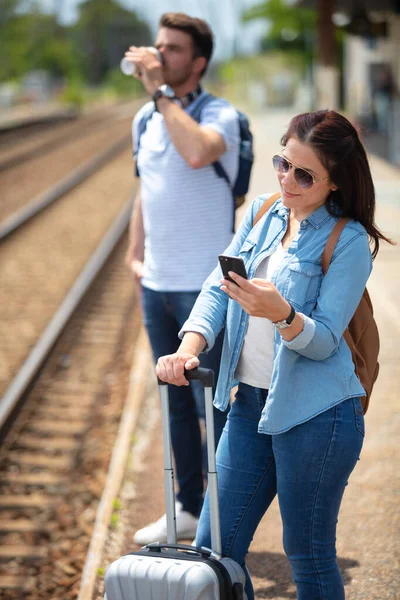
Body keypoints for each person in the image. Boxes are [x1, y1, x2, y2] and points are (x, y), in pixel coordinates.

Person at [156, 110, 394, 599]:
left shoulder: (346, 240)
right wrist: (189, 346)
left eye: (304, 174)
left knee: (307, 555)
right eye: (282, 163)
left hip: (318, 417)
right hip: (249, 407)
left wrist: (281, 313)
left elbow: (326, 338)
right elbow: (218, 286)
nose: (288, 179)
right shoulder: (264, 211)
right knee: (213, 551)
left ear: (334, 183)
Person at [125, 12, 240, 545]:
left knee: (211, 405)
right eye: (158, 45)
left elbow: (196, 153)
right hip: (157, 282)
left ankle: (225, 519)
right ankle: (189, 508)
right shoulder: (144, 120)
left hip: (207, 288)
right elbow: (146, 187)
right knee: (173, 401)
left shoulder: (221, 114)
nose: (159, 54)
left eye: (171, 49)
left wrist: (159, 92)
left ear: (197, 62)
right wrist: (134, 253)